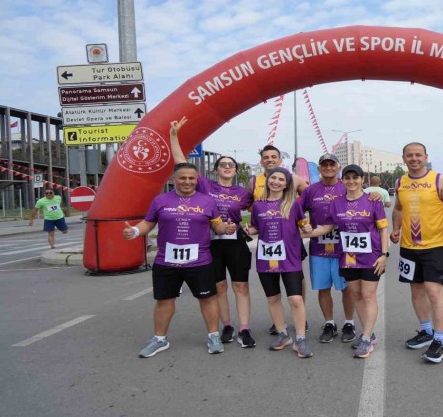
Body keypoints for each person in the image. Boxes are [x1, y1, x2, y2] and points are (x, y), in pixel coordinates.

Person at [124, 162, 235, 358]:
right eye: (182, 178)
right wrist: (134, 231)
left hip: (199, 261)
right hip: (166, 261)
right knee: (164, 301)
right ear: (174, 179)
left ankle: (213, 336)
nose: (187, 182)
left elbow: (216, 226)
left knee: (208, 299)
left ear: (196, 180)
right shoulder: (160, 200)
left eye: (191, 178)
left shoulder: (207, 201)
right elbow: (147, 223)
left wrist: (226, 229)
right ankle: (159, 339)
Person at [169, 117, 256, 348]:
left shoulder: (243, 193)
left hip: (236, 243)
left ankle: (244, 329)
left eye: (231, 165)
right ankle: (227, 326)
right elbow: (181, 162)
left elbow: (263, 208)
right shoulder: (206, 186)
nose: (227, 167)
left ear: (235, 170)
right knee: (219, 287)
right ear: (216, 169)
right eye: (223, 164)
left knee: (241, 286)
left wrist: (253, 227)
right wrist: (174, 136)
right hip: (210, 243)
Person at [306, 164, 390, 358]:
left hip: (371, 256)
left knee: (368, 295)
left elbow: (383, 228)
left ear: (362, 180)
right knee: (356, 295)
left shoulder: (373, 200)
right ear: (342, 180)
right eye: (347, 178)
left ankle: (366, 339)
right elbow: (327, 227)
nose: (351, 181)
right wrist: (300, 234)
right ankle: (368, 333)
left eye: (355, 177)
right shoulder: (336, 203)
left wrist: (384, 255)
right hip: (348, 257)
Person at [390, 142, 443, 364]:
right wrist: (396, 229)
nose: (414, 158)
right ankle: (427, 331)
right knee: (416, 290)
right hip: (409, 247)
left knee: (433, 291)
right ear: (404, 158)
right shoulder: (400, 182)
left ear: (425, 156)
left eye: (418, 155)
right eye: (409, 155)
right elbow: (398, 208)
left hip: (434, 246)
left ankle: (440, 341)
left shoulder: (439, 180)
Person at [245, 167, 314, 358]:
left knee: (295, 299)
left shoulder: (293, 204)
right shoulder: (258, 205)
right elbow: (256, 227)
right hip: (266, 258)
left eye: (281, 179)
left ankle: (300, 338)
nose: (276, 181)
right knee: (273, 298)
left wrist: (307, 227)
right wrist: (248, 230)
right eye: (273, 178)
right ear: (267, 180)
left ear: (286, 184)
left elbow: (303, 224)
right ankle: (283, 334)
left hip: (290, 257)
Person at [301, 153, 357, 344]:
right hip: (319, 249)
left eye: (332, 164)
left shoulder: (347, 186)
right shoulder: (310, 190)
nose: (328, 168)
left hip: (345, 249)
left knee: (347, 288)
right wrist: (303, 225)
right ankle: (329, 323)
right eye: (324, 165)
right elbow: (297, 211)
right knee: (323, 288)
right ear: (319, 168)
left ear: (338, 167)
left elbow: (364, 203)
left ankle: (349, 323)